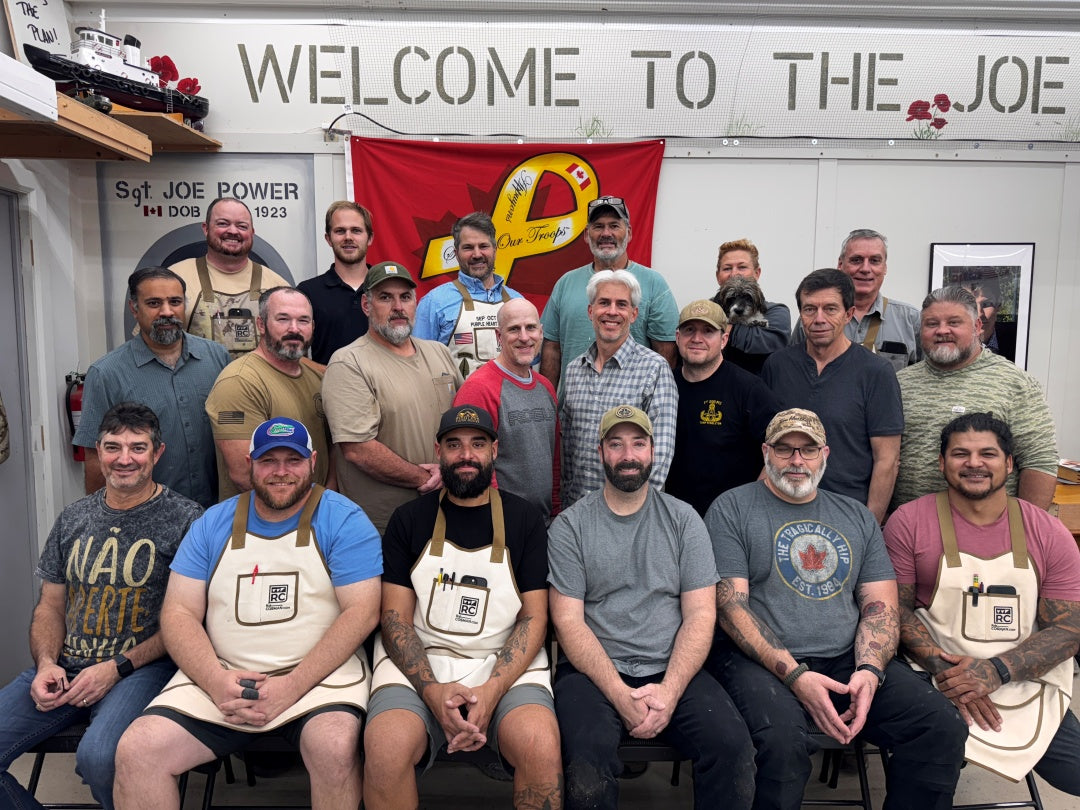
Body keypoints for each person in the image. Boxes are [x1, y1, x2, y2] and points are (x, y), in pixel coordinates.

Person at [113, 417, 382, 810]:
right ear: (248, 464)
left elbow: (362, 612)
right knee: (138, 749)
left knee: (335, 745)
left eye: (293, 460)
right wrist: (216, 680)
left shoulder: (343, 519)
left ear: (313, 461)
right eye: (268, 460)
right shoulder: (213, 523)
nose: (280, 472)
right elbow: (179, 612)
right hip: (223, 673)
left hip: (318, 679)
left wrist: (291, 686)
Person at [705, 408, 966, 810]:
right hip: (758, 662)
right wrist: (796, 675)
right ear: (765, 452)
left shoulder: (856, 516)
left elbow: (880, 606)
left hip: (847, 657)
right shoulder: (733, 508)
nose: (796, 461)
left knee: (938, 726)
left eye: (808, 450)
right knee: (781, 742)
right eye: (784, 449)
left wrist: (870, 671)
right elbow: (732, 609)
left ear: (825, 454)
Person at [549, 405, 754, 810]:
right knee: (586, 759)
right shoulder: (570, 526)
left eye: (638, 443)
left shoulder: (684, 520)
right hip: (593, 672)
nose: (628, 454)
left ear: (653, 451)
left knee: (733, 749)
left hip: (673, 665)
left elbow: (701, 615)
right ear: (600, 451)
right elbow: (569, 623)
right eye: (616, 444)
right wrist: (620, 694)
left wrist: (671, 690)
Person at [0, 403, 202, 809]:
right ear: (98, 449)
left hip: (141, 670)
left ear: (157, 453)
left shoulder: (188, 520)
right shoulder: (73, 517)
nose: (124, 459)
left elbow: (190, 621)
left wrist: (116, 668)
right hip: (65, 669)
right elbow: (50, 607)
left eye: (137, 448)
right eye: (113, 447)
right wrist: (45, 664)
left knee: (100, 757)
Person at [364, 405, 562, 810]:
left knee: (541, 749)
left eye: (477, 444)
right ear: (438, 450)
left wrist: (491, 690)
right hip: (421, 664)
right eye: (454, 445)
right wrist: (432, 691)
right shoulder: (408, 520)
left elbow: (534, 617)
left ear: (495, 450)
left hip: (503, 662)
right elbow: (395, 619)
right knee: (384, 750)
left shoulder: (524, 520)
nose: (466, 454)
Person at [884, 412, 1080, 792]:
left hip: (1023, 678)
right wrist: (951, 675)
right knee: (928, 767)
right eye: (961, 454)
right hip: (935, 675)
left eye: (987, 454)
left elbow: (1070, 629)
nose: (974, 463)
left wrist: (996, 671)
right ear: (941, 464)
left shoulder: (1047, 530)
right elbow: (894, 610)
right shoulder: (909, 521)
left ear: (1009, 463)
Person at [322, 261, 462, 533]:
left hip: (446, 514)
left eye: (405, 297)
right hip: (384, 527)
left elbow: (462, 420)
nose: (398, 306)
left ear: (415, 304)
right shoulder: (349, 362)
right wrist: (428, 478)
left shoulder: (439, 353)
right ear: (366, 305)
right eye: (385, 297)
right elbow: (357, 449)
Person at [73, 267, 229, 509]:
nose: (167, 312)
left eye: (175, 302)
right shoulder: (106, 374)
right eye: (154, 303)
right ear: (134, 308)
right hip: (146, 518)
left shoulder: (217, 358)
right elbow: (95, 457)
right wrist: (102, 520)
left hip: (216, 513)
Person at [893, 286, 1058, 511]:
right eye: (932, 324)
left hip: (990, 531)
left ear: (977, 327)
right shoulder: (898, 383)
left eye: (954, 322)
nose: (942, 331)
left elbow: (1039, 461)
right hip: (908, 531)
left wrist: (1026, 528)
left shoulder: (1015, 383)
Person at [762, 269, 902, 524]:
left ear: (848, 314)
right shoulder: (777, 365)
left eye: (830, 309)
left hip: (847, 513)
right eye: (809, 309)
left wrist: (869, 526)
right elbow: (769, 446)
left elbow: (887, 460)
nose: (819, 319)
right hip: (781, 510)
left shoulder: (876, 372)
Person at [558, 269, 677, 508]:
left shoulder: (654, 369)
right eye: (604, 303)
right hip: (577, 509)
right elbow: (568, 449)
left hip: (630, 513)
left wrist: (633, 510)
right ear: (591, 311)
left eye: (621, 304)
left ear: (633, 314)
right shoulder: (573, 371)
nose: (612, 312)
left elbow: (660, 454)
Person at [204, 286, 331, 501]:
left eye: (303, 320)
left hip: (316, 512)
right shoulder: (238, 382)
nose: (294, 329)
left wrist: (326, 502)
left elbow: (332, 450)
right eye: (283, 319)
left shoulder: (317, 378)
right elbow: (243, 475)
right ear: (261, 324)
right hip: (262, 523)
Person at [540, 195, 678, 388]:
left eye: (614, 226)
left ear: (628, 233)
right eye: (598, 226)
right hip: (574, 408)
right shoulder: (565, 283)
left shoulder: (654, 284)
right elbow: (551, 349)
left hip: (631, 413)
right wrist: (549, 402)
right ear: (587, 235)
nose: (606, 233)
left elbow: (667, 352)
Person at [667, 299, 780, 516]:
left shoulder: (748, 388)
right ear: (678, 337)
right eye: (689, 330)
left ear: (724, 339)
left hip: (731, 519)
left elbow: (779, 447)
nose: (697, 339)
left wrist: (751, 505)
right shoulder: (664, 384)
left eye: (708, 331)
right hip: (674, 515)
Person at [454, 298, 561, 522]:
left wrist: (556, 510)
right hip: (500, 526)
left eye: (530, 327)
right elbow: (470, 467)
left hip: (543, 524)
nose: (524, 337)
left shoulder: (546, 388)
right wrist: (500, 521)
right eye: (514, 329)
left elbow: (554, 458)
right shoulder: (479, 389)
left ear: (541, 333)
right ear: (498, 336)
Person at [169, 197, 290, 358]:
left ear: (252, 233)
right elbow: (151, 344)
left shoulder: (278, 286)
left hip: (257, 383)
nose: (233, 231)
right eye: (223, 223)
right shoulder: (175, 278)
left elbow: (290, 353)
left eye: (242, 226)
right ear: (206, 229)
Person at [790, 229, 921, 371]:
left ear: (884, 268)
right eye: (856, 260)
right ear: (840, 264)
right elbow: (793, 367)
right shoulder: (815, 317)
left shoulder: (910, 319)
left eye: (874, 261)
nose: (865, 268)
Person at [414, 211, 523, 378]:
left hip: (512, 402)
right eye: (468, 247)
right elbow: (418, 365)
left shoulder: (518, 301)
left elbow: (532, 360)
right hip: (456, 402)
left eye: (483, 246)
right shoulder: (433, 302)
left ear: (495, 249)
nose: (477, 254)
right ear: (456, 253)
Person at [297, 201, 374, 365]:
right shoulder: (308, 292)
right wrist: (329, 375)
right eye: (340, 231)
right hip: (328, 388)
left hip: (382, 389)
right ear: (328, 238)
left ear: (370, 238)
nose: (348, 237)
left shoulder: (386, 288)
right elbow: (294, 354)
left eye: (356, 230)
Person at [711, 238, 791, 374]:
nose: (734, 273)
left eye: (742, 267)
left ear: (757, 273)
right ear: (718, 276)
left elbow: (768, 342)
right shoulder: (709, 307)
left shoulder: (776, 311)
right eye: (727, 268)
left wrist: (724, 329)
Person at [957, 271, 1018, 361]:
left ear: (999, 304)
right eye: (969, 305)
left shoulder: (1019, 338)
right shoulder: (949, 343)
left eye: (986, 304)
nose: (979, 314)